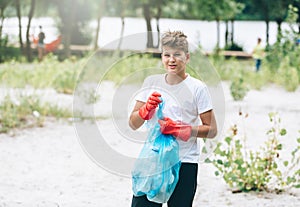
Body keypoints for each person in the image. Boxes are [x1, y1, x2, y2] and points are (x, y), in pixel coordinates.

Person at [129, 31, 218, 207]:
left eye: (177, 55)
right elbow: (132, 124)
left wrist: (179, 129)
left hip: (185, 161)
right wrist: (145, 110)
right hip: (153, 160)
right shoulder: (151, 83)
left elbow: (212, 130)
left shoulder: (197, 88)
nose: (172, 59)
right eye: (167, 55)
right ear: (162, 57)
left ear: (187, 57)